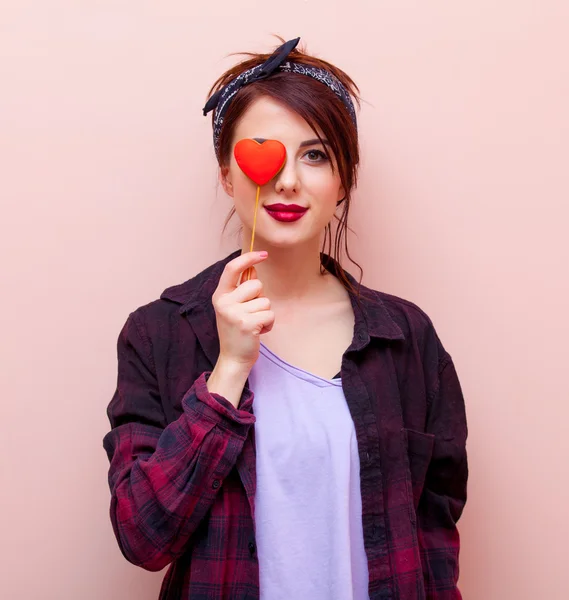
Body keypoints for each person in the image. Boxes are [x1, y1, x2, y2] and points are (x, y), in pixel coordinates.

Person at [103, 36, 468, 600]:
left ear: (344, 180)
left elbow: (435, 525)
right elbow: (144, 538)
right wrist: (227, 372)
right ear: (228, 175)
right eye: (264, 153)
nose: (288, 180)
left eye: (316, 155)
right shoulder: (159, 334)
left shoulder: (406, 340)